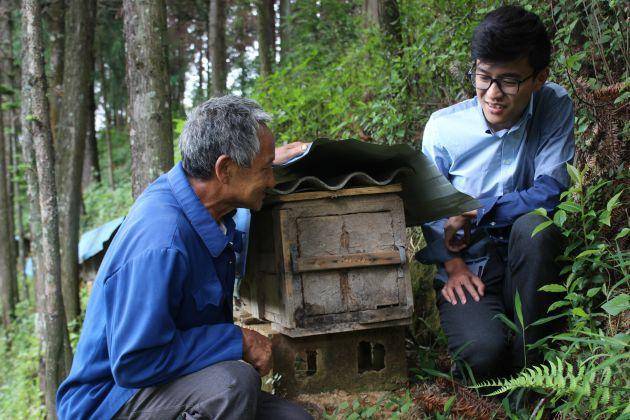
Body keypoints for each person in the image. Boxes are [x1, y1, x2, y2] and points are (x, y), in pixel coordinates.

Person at [56, 96, 313, 420]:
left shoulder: (200, 197)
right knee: (232, 385)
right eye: (265, 170)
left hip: (163, 383)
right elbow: (136, 361)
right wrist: (237, 340)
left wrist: (273, 159)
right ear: (225, 169)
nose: (271, 181)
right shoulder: (161, 241)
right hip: (111, 401)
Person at [416, 6, 574, 380]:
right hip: (470, 262)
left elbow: (551, 191)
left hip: (527, 257)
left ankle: (532, 370)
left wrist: (478, 211)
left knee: (536, 227)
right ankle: (487, 343)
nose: (493, 94)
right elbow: (428, 208)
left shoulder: (553, 104)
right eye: (483, 77)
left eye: (509, 81)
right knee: (483, 357)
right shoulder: (443, 129)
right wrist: (452, 267)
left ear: (539, 78)